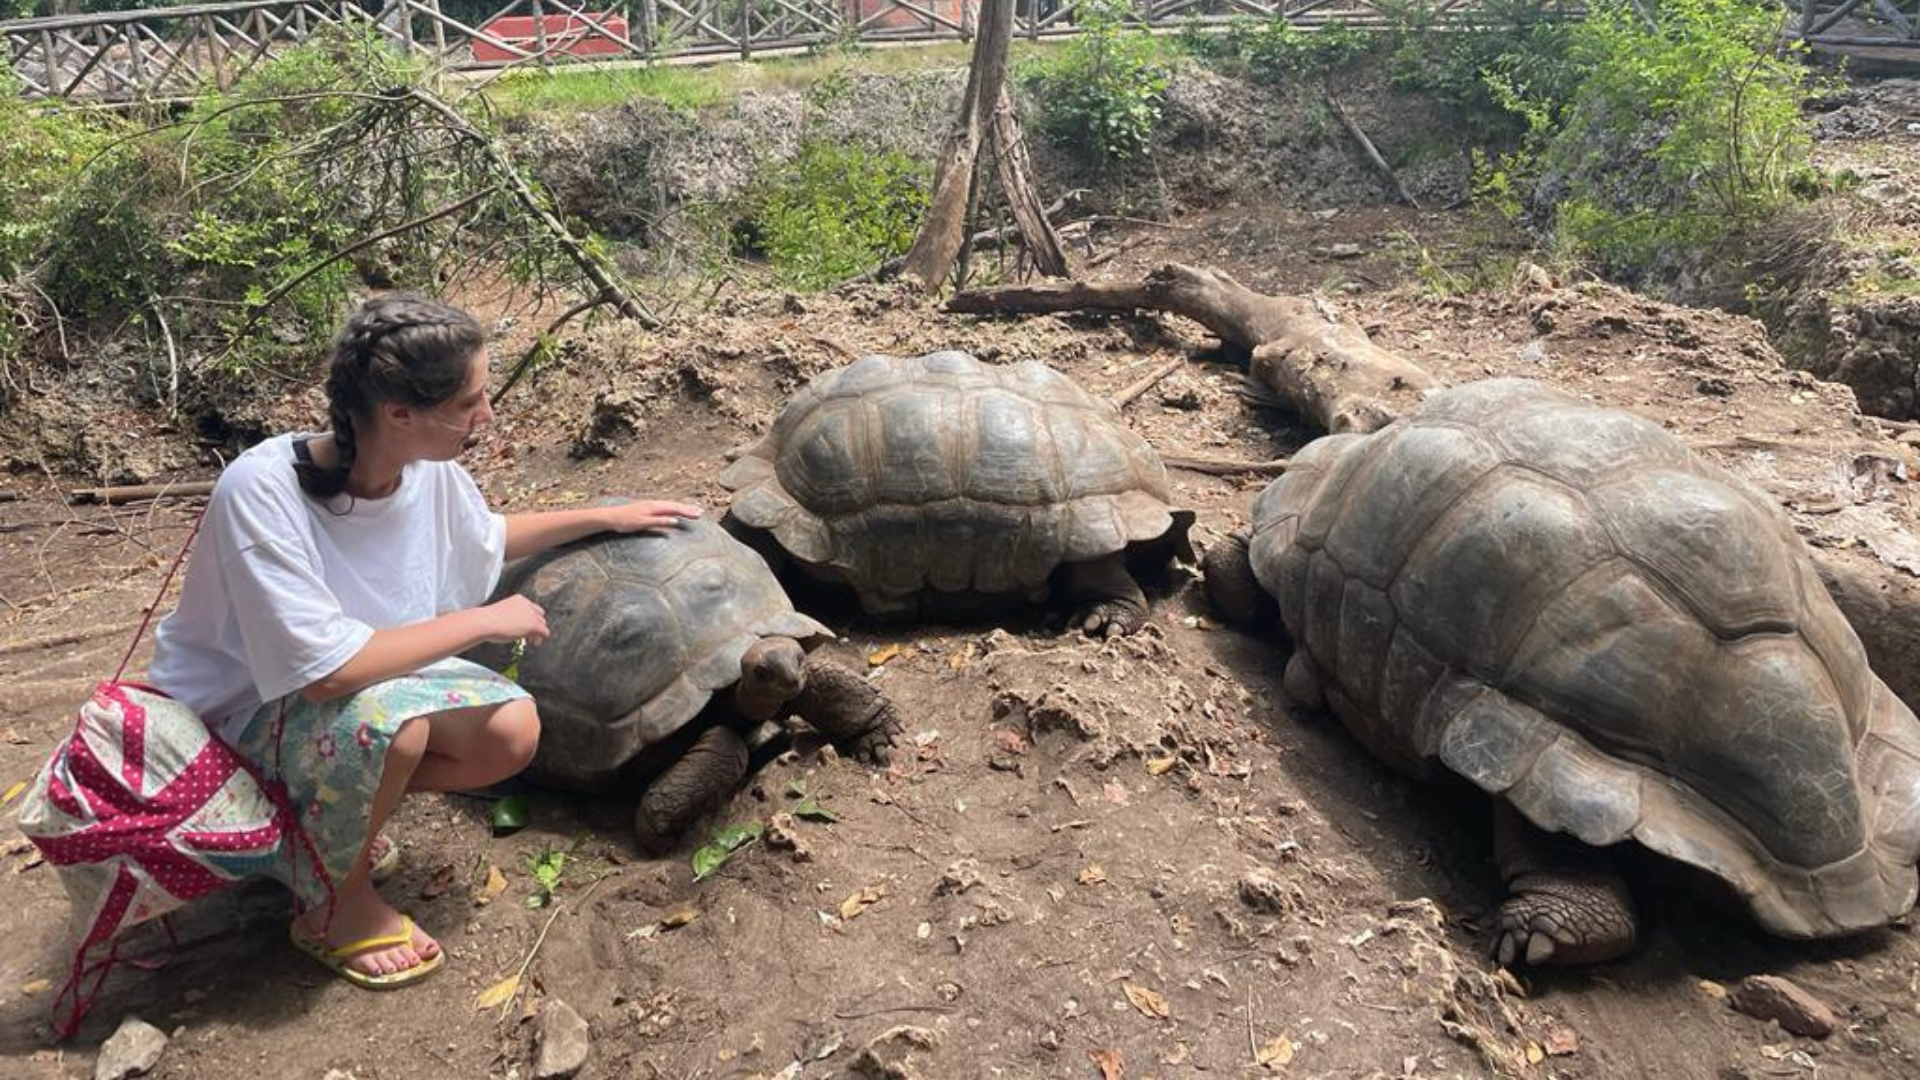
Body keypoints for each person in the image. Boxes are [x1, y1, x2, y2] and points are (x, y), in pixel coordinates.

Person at [149, 293, 700, 989]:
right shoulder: (260, 492)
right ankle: (333, 905)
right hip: (237, 714)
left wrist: (605, 515)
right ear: (399, 414)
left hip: (343, 697)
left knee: (509, 732)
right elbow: (325, 673)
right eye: (471, 402)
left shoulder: (427, 473)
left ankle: (318, 827)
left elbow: (483, 540)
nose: (488, 414)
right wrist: (483, 621)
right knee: (395, 729)